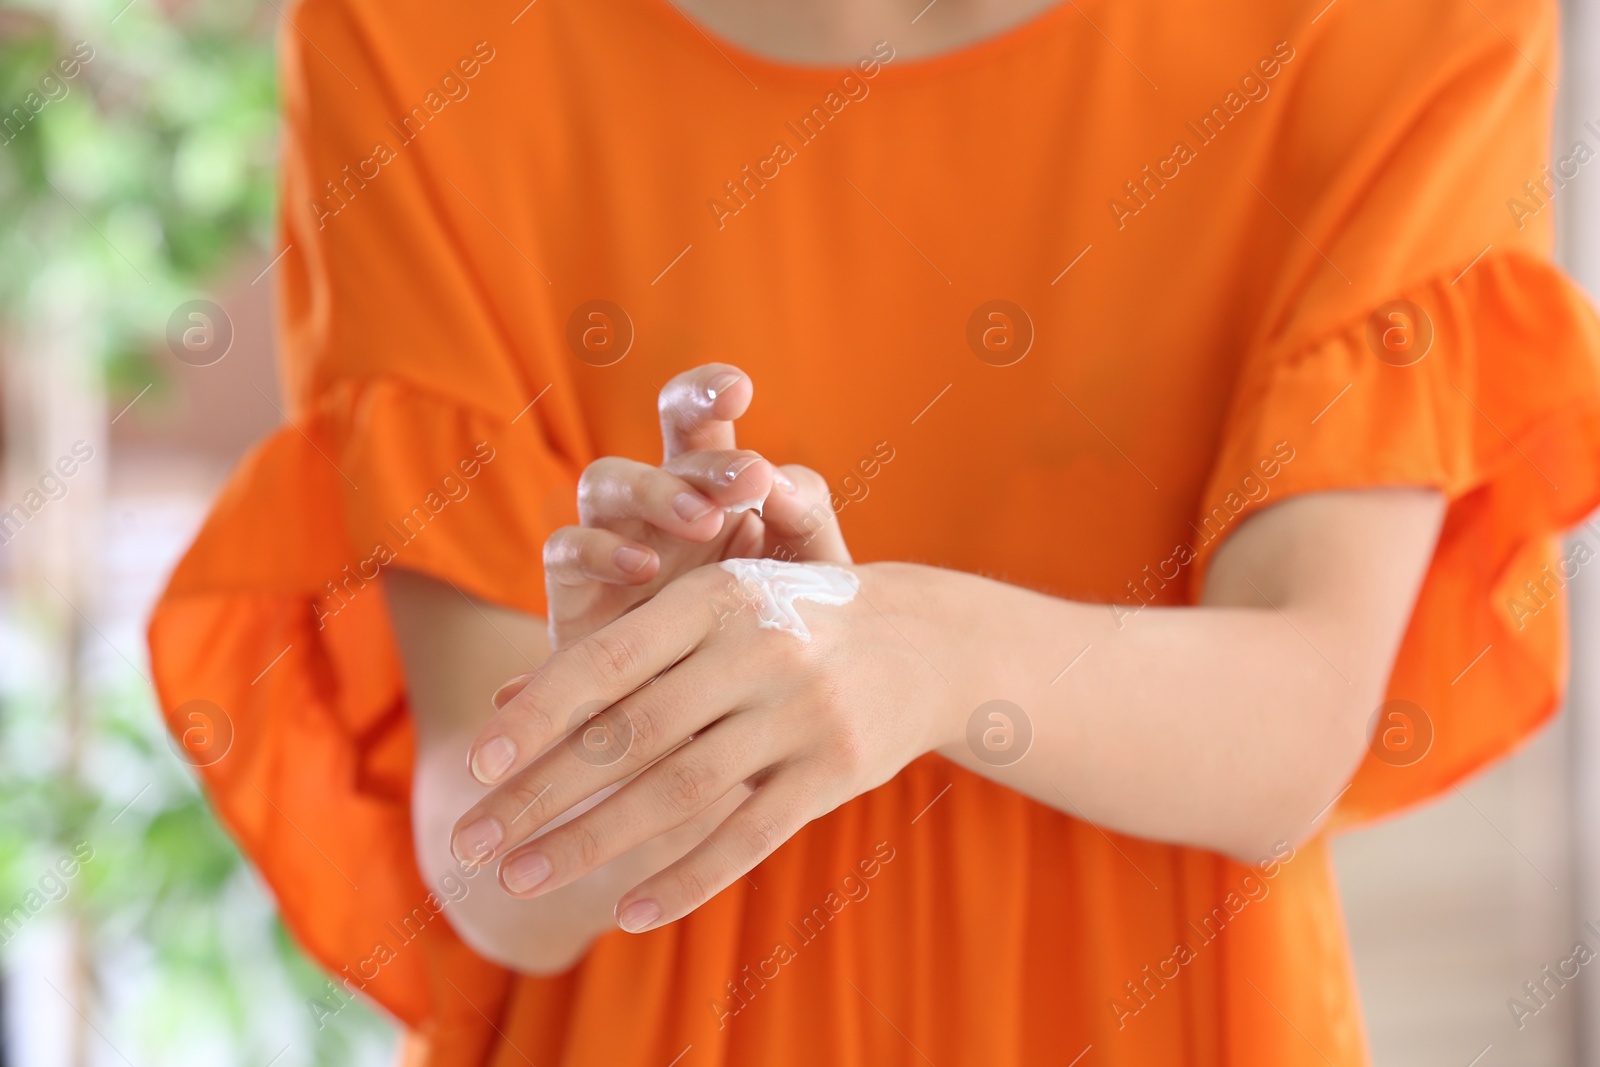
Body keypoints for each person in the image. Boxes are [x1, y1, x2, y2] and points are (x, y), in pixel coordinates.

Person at [149, 0, 1600, 1062]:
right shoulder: (415, 35)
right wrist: (621, 732)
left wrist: (918, 651)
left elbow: (1296, 725)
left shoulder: (1397, 23)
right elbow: (498, 888)